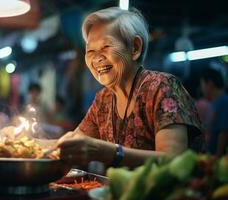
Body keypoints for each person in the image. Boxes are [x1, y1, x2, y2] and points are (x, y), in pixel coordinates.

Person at [57, 7, 204, 168]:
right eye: (90, 50)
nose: (97, 58)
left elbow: (173, 161)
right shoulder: (103, 100)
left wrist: (107, 151)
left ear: (135, 48)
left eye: (106, 47)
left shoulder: (162, 87)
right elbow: (69, 145)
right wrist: (28, 143)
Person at [200, 67, 228, 156]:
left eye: (202, 85)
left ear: (210, 84)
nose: (202, 89)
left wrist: (217, 155)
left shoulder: (224, 102)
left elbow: (224, 131)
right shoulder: (214, 103)